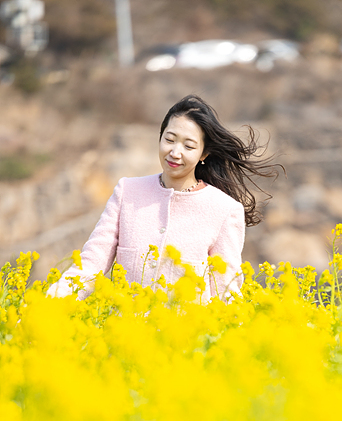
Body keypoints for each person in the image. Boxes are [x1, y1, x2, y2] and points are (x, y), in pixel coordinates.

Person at [50, 94, 277, 301]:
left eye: (188, 146)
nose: (175, 152)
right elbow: (90, 265)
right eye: (169, 140)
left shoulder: (224, 209)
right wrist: (44, 307)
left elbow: (225, 293)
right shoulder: (127, 191)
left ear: (204, 154)